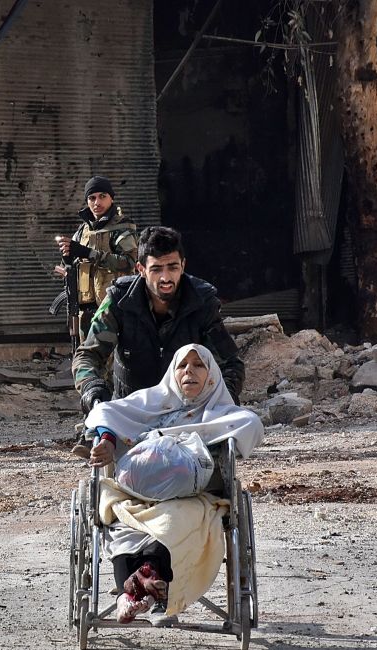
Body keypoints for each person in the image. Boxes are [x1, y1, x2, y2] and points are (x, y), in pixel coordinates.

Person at [85, 343, 264, 624]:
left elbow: (251, 425)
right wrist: (108, 440)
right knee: (121, 528)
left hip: (195, 498)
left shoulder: (221, 416)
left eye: (198, 365)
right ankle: (130, 594)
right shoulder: (151, 402)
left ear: (211, 377)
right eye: (182, 365)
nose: (189, 371)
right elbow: (105, 412)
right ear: (173, 372)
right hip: (137, 495)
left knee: (175, 525)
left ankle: (144, 589)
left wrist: (195, 441)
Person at [73, 226, 244, 412]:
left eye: (172, 267)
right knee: (96, 434)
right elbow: (88, 355)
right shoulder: (119, 300)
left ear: (183, 266)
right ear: (141, 269)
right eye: (156, 269)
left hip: (187, 413)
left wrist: (221, 404)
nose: (165, 278)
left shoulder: (202, 303)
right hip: (131, 411)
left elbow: (231, 364)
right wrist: (93, 391)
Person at [54, 175, 137, 344]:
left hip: (111, 306)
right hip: (85, 307)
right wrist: (68, 259)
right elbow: (69, 267)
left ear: (111, 198)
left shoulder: (121, 228)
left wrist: (90, 254)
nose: (97, 202)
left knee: (110, 359)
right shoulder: (82, 230)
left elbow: (129, 262)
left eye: (102, 196)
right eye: (92, 198)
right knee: (86, 358)